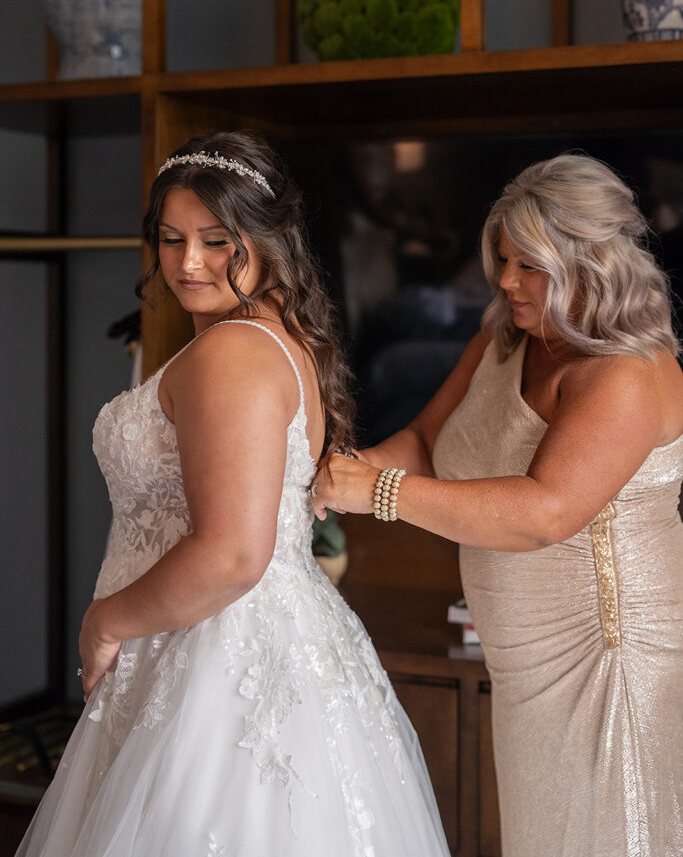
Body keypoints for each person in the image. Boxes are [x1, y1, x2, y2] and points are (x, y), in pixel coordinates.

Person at [17, 132, 449, 856]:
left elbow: (232, 555)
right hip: (222, 642)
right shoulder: (269, 338)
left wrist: (105, 622)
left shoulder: (234, 354)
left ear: (266, 238)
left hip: (217, 658)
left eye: (217, 241)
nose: (189, 263)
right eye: (170, 238)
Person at [312, 153, 683, 857]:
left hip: (607, 661)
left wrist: (375, 495)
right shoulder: (504, 338)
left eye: (528, 266)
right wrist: (337, 475)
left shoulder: (625, 375)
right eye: (503, 260)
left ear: (593, 263)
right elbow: (425, 441)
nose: (505, 281)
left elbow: (544, 513)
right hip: (521, 663)